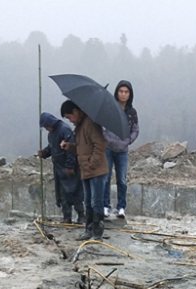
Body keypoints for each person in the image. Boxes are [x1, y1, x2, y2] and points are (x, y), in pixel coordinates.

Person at [60, 100, 109, 241]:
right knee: (87, 202)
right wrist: (69, 146)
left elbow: (100, 145)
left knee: (96, 201)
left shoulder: (90, 124)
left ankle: (98, 232)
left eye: (70, 117)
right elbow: (82, 149)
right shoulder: (80, 127)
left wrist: (91, 163)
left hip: (96, 171)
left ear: (76, 111)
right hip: (86, 171)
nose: (70, 120)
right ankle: (88, 230)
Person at [37, 112, 84, 224]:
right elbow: (52, 147)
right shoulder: (51, 134)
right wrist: (44, 153)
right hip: (58, 168)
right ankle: (66, 217)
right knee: (63, 194)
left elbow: (71, 149)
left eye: (46, 126)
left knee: (74, 192)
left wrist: (70, 166)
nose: (46, 129)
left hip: (69, 168)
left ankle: (81, 215)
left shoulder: (64, 130)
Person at [102, 80, 139, 219]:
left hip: (122, 150)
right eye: (121, 91)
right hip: (108, 148)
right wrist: (107, 139)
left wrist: (128, 140)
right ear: (117, 93)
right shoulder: (110, 109)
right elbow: (102, 127)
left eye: (126, 92)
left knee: (122, 179)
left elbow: (135, 130)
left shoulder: (132, 112)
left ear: (130, 94)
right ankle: (105, 206)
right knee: (106, 178)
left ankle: (121, 207)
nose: (123, 94)